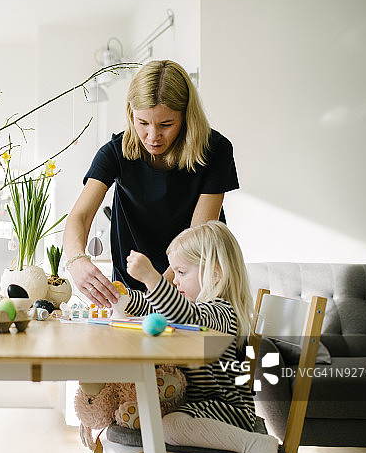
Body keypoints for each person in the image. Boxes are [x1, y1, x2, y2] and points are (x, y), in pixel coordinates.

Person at [125, 221, 277, 453]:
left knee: (165, 427)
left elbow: (182, 314)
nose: (176, 281)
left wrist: (152, 278)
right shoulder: (196, 306)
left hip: (228, 410)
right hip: (203, 406)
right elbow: (157, 308)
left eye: (182, 273)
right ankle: (213, 449)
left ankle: (253, 444)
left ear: (215, 272)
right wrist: (123, 297)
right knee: (161, 421)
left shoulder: (220, 312)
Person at [63, 59, 239, 307]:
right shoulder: (115, 152)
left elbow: (196, 239)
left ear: (187, 116)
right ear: (130, 113)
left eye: (166, 124)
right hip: (131, 290)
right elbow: (78, 217)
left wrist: (157, 291)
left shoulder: (215, 151)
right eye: (143, 123)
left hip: (194, 288)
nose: (153, 136)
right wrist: (77, 262)